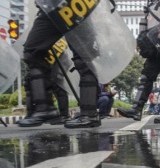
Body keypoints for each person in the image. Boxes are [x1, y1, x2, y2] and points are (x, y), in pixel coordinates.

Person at [17, 0, 133, 128]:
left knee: (84, 57)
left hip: (75, 4)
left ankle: (89, 113)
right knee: (32, 52)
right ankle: (44, 108)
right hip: (50, 6)